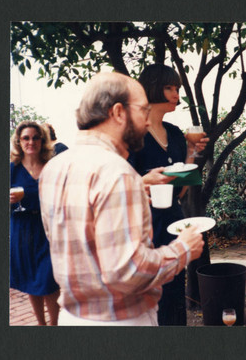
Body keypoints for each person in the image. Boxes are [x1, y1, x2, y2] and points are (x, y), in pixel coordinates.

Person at [38, 72, 204, 326]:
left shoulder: (55, 167)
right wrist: (183, 248)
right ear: (118, 112)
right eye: (142, 110)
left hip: (73, 318)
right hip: (122, 320)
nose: (147, 123)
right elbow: (128, 272)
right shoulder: (116, 173)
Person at [128, 63, 208, 326]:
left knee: (173, 290)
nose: (176, 94)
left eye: (177, 89)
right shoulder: (132, 135)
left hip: (173, 219)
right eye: (169, 88)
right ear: (152, 88)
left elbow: (182, 189)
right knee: (148, 292)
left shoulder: (174, 133)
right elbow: (118, 186)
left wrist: (192, 151)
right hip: (143, 225)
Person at [10, 121, 60, 325]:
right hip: (22, 231)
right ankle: (41, 324)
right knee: (31, 280)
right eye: (26, 138)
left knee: (49, 281)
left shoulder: (52, 166)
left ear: (42, 140)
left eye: (35, 137)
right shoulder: (12, 168)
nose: (31, 142)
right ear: (19, 142)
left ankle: (54, 326)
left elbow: (61, 197)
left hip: (47, 229)